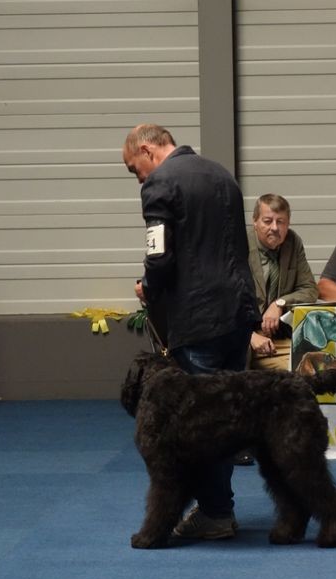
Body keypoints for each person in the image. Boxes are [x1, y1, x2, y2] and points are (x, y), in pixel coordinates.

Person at [122, 123, 260, 540]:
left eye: (134, 169)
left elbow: (159, 256)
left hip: (198, 320)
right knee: (229, 419)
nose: (139, 178)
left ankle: (216, 513)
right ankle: (224, 507)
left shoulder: (160, 184)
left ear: (147, 150)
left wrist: (148, 287)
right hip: (239, 313)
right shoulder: (222, 175)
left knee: (199, 426)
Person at [246, 193, 318, 370]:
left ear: (288, 224)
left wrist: (280, 303)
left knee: (314, 370)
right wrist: (248, 336)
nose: (275, 227)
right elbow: (224, 301)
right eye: (267, 221)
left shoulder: (293, 242)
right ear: (255, 221)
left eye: (281, 222)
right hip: (244, 339)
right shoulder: (240, 244)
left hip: (279, 338)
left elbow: (309, 289)